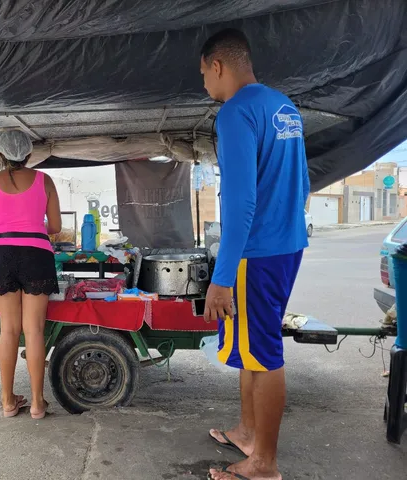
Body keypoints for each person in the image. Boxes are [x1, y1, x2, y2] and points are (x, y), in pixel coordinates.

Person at [200, 29, 310, 480]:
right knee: (251, 346)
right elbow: (301, 181)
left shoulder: (235, 113)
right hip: (286, 245)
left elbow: (241, 202)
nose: (205, 84)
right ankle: (248, 432)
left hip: (256, 254)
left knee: (263, 354)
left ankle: (264, 463)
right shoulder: (284, 107)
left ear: (218, 66)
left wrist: (222, 276)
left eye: (204, 74)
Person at [0, 130, 62, 419]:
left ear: (0, 154)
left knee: (8, 330)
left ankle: (8, 402)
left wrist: (5, 226)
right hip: (37, 254)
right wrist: (34, 224)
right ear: (28, 154)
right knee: (34, 330)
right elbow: (56, 226)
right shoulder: (44, 180)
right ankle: (38, 403)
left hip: (3, 255)